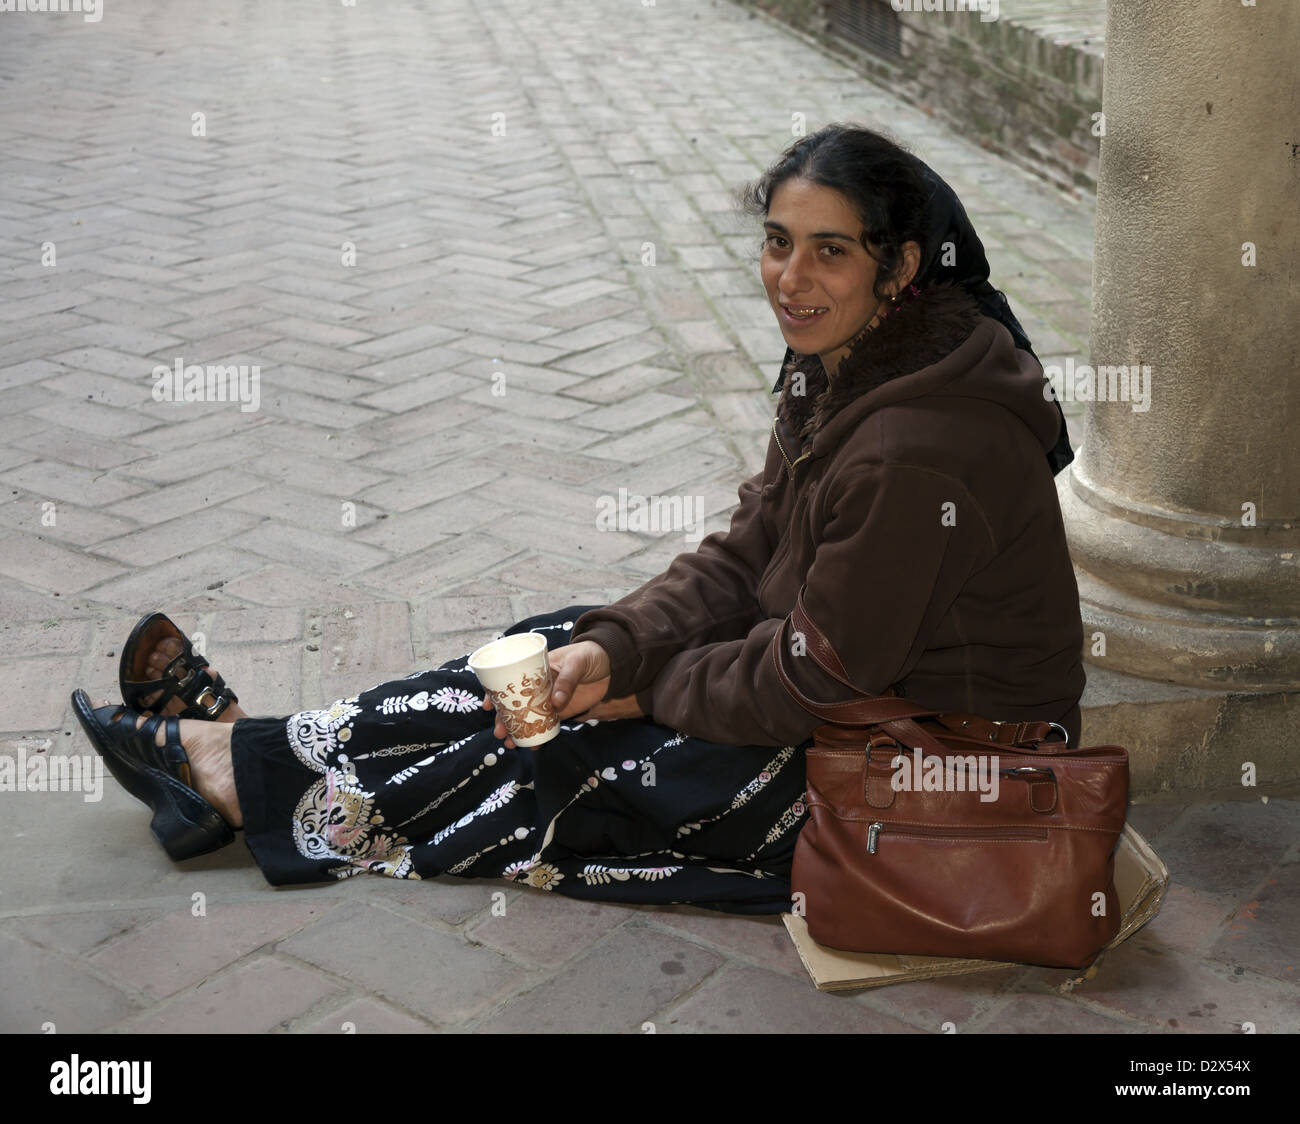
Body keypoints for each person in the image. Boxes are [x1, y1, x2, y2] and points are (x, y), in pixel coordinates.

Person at [71, 123, 1085, 915]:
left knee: (560, 752)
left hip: (924, 775)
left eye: (829, 252)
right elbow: (743, 556)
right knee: (554, 650)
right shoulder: (852, 370)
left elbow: (815, 677)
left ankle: (245, 779)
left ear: (899, 268)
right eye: (777, 243)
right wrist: (617, 650)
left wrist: (646, 691)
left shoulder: (921, 444)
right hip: (841, 703)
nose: (789, 278)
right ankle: (264, 745)